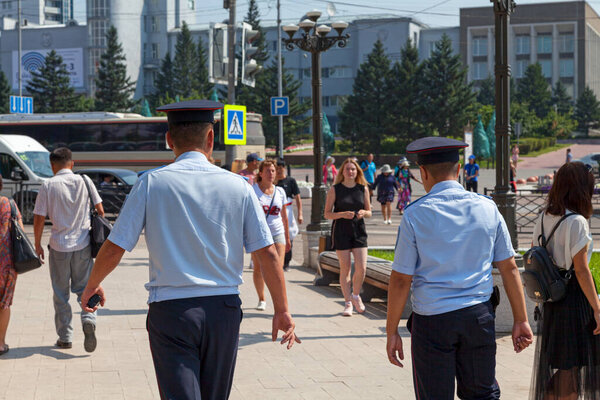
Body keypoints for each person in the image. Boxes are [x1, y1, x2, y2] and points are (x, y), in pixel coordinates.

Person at [80, 100, 299, 400]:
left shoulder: (150, 183)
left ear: (168, 139)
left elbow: (115, 246)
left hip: (171, 311)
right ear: (211, 138)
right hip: (223, 309)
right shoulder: (239, 186)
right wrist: (282, 310)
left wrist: (92, 284)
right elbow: (269, 253)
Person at [386, 137, 533, 400]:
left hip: (433, 320)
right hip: (478, 317)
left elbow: (400, 280)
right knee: (482, 395)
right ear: (460, 170)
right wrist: (521, 319)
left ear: (423, 173)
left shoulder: (415, 215)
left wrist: (392, 330)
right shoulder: (488, 208)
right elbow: (510, 267)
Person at [529, 161, 600, 400]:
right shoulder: (577, 222)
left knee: (563, 365)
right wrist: (597, 309)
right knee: (571, 367)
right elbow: (581, 270)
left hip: (551, 299)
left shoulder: (542, 217)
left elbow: (535, 258)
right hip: (573, 300)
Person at [33, 147, 104, 352]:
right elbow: (100, 210)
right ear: (71, 164)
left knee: (60, 293)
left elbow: (38, 218)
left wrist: (37, 244)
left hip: (58, 247)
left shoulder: (48, 185)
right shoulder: (85, 180)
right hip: (83, 245)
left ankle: (65, 337)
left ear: (52, 165)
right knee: (85, 288)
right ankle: (88, 318)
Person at [324, 158, 372, 316]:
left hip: (359, 230)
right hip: (341, 231)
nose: (350, 172)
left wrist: (364, 212)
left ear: (357, 171)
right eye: (347, 169)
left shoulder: (362, 188)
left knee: (362, 267)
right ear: (342, 172)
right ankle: (347, 303)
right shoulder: (335, 189)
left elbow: (369, 211)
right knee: (345, 269)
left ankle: (356, 295)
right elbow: (327, 214)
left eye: (353, 169)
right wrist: (342, 214)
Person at [251, 159, 291, 311]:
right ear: (260, 173)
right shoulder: (253, 190)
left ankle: (280, 304)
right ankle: (261, 298)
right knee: (258, 268)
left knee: (277, 269)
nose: (271, 173)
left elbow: (284, 216)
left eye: (273, 171)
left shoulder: (280, 191)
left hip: (277, 232)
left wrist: (287, 238)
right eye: (267, 171)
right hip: (259, 233)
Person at [0, 178, 23, 356]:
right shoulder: (10, 204)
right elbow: (20, 231)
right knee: (4, 304)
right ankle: (0, 344)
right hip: (6, 263)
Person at [276, 159, 303, 271]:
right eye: (276, 168)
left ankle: (286, 262)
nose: (278, 171)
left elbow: (298, 198)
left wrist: (300, 213)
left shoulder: (290, 181)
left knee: (289, 235)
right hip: (276, 211)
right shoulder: (274, 182)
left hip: (287, 210)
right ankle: (278, 261)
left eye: (280, 168)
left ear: (284, 168)